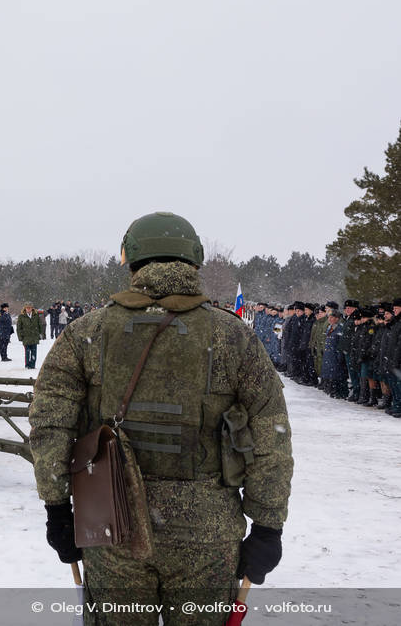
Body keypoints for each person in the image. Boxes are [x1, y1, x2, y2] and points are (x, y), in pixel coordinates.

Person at [29, 211, 293, 623]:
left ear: (131, 262)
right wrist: (268, 524)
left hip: (112, 525)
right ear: (194, 261)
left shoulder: (87, 332)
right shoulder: (234, 336)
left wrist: (57, 505)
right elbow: (270, 433)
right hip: (207, 535)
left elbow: (51, 424)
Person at [16, 303, 45, 370]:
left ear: (32, 308)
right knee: (27, 352)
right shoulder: (21, 316)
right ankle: (27, 365)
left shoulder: (36, 315)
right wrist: (20, 337)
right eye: (27, 308)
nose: (28, 309)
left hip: (34, 336)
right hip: (26, 337)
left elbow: (40, 325)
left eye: (29, 308)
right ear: (25, 308)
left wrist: (41, 334)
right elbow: (18, 328)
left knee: (34, 352)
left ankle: (32, 364)